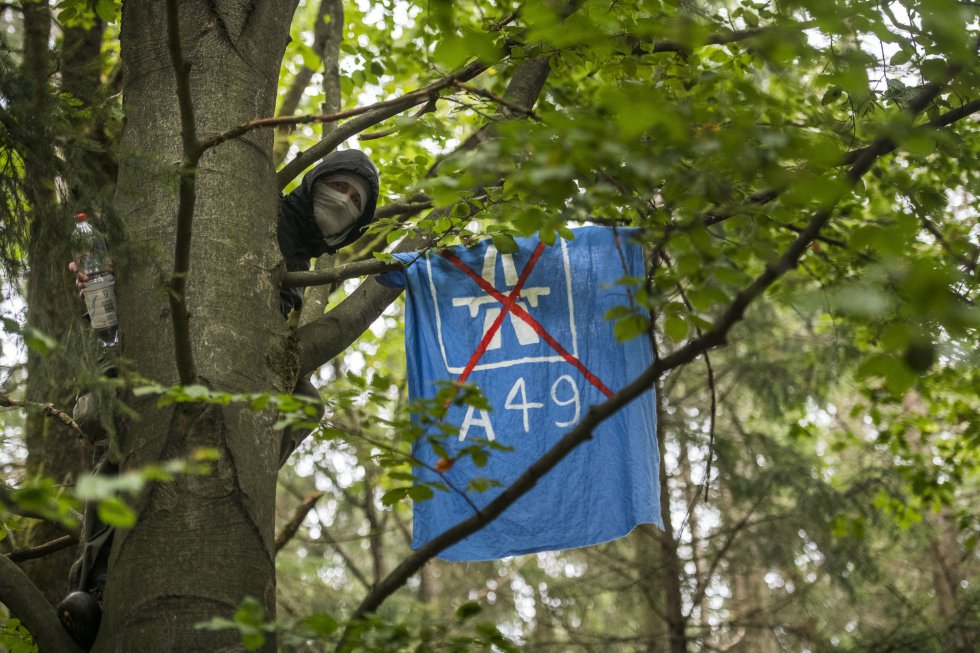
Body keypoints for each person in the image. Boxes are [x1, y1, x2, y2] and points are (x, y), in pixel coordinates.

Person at [58, 149, 380, 649]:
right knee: (121, 445)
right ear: (315, 179)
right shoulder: (260, 209)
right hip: (143, 342)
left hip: (244, 369)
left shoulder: (300, 253)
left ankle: (242, 462)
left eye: (356, 201)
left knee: (307, 405)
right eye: (338, 185)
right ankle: (94, 585)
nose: (343, 200)